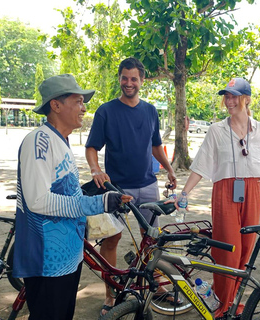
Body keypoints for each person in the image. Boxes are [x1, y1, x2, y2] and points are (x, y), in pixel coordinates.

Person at [13, 74, 132, 320]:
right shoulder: (39, 141)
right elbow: (39, 201)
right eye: (78, 101)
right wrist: (96, 203)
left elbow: (64, 190)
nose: (84, 108)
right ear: (55, 105)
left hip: (68, 256)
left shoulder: (61, 140)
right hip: (48, 261)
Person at [177, 78, 260, 319]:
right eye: (226, 96)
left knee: (245, 250)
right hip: (225, 192)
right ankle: (222, 307)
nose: (229, 101)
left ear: (246, 99)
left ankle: (229, 300)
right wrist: (184, 193)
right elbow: (200, 165)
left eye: (234, 96)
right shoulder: (217, 130)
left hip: (252, 193)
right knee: (227, 251)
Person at [85, 57, 177, 314]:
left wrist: (169, 169)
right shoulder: (106, 111)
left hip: (148, 186)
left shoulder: (150, 111)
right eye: (124, 78)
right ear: (119, 79)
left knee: (152, 240)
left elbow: (156, 145)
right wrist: (96, 169)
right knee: (111, 240)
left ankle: (155, 284)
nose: (129, 83)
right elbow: (91, 147)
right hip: (118, 190)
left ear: (142, 81)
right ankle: (111, 294)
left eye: (133, 79)